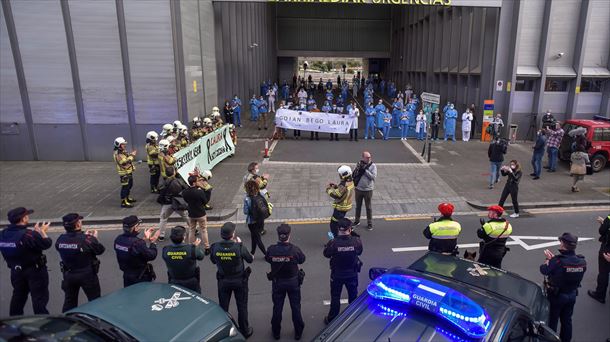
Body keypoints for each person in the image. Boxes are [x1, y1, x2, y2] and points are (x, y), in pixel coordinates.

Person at [0, 207, 51, 316]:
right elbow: (46, 243)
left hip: (16, 271)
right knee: (39, 299)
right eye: (26, 215)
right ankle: (42, 323)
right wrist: (42, 232)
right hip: (35, 271)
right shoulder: (28, 234)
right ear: (23, 219)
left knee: (18, 297)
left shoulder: (3, 234)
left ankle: (13, 322)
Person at [540, 233, 587, 342]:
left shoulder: (557, 261)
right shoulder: (582, 262)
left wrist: (548, 261)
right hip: (572, 294)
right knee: (567, 321)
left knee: (553, 321)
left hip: (557, 296)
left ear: (562, 243)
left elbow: (544, 270)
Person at [210, 222, 254, 338]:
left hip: (223, 281)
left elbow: (213, 261)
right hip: (239, 280)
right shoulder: (239, 247)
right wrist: (240, 244)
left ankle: (224, 330)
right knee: (242, 306)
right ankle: (244, 330)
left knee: (223, 307)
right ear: (233, 234)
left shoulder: (215, 247)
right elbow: (250, 259)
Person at [55, 213, 105, 312]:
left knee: (70, 302)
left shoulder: (60, 239)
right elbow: (100, 250)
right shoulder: (87, 240)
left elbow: (59, 247)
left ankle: (67, 322)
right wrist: (93, 238)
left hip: (69, 274)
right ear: (78, 225)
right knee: (95, 300)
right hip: (87, 275)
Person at [265, 224, 306, 340]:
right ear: (289, 235)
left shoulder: (271, 250)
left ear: (278, 236)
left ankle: (276, 332)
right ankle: (298, 332)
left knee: (277, 307)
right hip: (293, 282)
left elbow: (268, 258)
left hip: (278, 283)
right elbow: (302, 259)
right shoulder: (295, 250)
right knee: (295, 307)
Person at [323, 218, 363, 324]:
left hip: (337, 275)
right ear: (350, 229)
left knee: (335, 297)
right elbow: (359, 252)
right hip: (352, 274)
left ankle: (332, 319)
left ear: (338, 229)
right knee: (353, 297)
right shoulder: (356, 241)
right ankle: (353, 318)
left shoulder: (333, 243)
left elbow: (326, 254)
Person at [114, 215, 159, 287]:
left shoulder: (118, 239)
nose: (139, 227)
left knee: (130, 296)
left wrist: (144, 239)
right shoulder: (138, 243)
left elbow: (132, 249)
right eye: (138, 225)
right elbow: (152, 255)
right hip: (140, 277)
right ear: (134, 228)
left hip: (127, 276)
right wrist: (153, 243)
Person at [162, 226, 205, 293]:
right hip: (190, 282)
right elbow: (201, 256)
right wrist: (195, 247)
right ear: (184, 236)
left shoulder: (166, 250)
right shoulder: (191, 249)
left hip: (174, 281)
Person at [157, 166, 190, 241]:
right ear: (174, 172)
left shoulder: (163, 182)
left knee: (163, 218)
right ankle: (193, 228)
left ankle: (161, 235)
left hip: (167, 203)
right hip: (177, 202)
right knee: (185, 216)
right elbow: (183, 189)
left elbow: (160, 190)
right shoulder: (177, 181)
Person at [182, 175, 210, 253]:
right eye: (197, 181)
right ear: (194, 183)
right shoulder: (199, 192)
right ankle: (207, 247)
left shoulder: (185, 192)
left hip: (191, 213)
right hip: (201, 213)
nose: (198, 182)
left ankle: (191, 245)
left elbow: (186, 200)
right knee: (204, 230)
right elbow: (205, 201)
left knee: (191, 230)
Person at [326, 165, 355, 237]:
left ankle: (335, 239)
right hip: (346, 207)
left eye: (340, 174)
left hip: (340, 208)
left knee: (333, 224)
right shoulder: (350, 181)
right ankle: (348, 230)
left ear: (343, 175)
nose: (339, 175)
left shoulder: (343, 185)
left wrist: (328, 189)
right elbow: (343, 191)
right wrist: (336, 187)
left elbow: (336, 194)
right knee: (341, 222)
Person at [588, 215, 610, 304]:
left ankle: (600, 295)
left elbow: (602, 231)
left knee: (603, 273)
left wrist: (603, 223)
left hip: (607, 249)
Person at [352, 151, 377, 231]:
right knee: (358, 206)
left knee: (368, 207)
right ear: (363, 157)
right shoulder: (359, 164)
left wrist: (365, 170)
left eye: (370, 157)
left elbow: (373, 177)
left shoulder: (373, 166)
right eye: (367, 157)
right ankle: (357, 220)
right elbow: (354, 174)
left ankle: (369, 223)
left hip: (368, 190)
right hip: (358, 189)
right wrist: (358, 169)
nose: (369, 158)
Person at [243, 180, 268, 256]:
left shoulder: (247, 199)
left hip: (252, 221)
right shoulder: (261, 194)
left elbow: (245, 211)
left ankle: (266, 254)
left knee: (257, 238)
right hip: (260, 220)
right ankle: (252, 252)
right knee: (253, 236)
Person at [113, 137, 136, 208]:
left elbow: (127, 157)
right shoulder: (118, 154)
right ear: (119, 145)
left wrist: (130, 154)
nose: (124, 145)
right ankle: (123, 202)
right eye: (123, 144)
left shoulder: (122, 151)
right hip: (124, 173)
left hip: (128, 171)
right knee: (125, 187)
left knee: (130, 185)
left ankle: (127, 198)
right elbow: (124, 162)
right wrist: (132, 156)